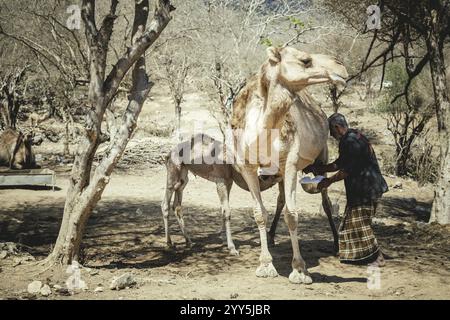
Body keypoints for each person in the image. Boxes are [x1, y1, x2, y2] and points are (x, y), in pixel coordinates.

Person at [304, 113, 388, 267]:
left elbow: (345, 170)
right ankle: (362, 257)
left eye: (331, 132)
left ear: (337, 127)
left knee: (361, 226)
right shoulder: (355, 136)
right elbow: (339, 164)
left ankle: (378, 257)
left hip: (365, 190)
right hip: (368, 189)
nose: (332, 136)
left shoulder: (348, 141)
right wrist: (317, 168)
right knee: (350, 225)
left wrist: (328, 181)